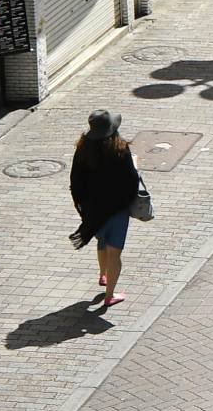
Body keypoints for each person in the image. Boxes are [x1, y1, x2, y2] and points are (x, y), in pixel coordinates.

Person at [68, 109, 142, 311]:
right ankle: (109, 296)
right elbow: (132, 180)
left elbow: (75, 181)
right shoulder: (120, 149)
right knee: (114, 251)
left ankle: (103, 275)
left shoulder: (82, 150)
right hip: (117, 209)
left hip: (93, 210)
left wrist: (82, 208)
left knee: (101, 241)